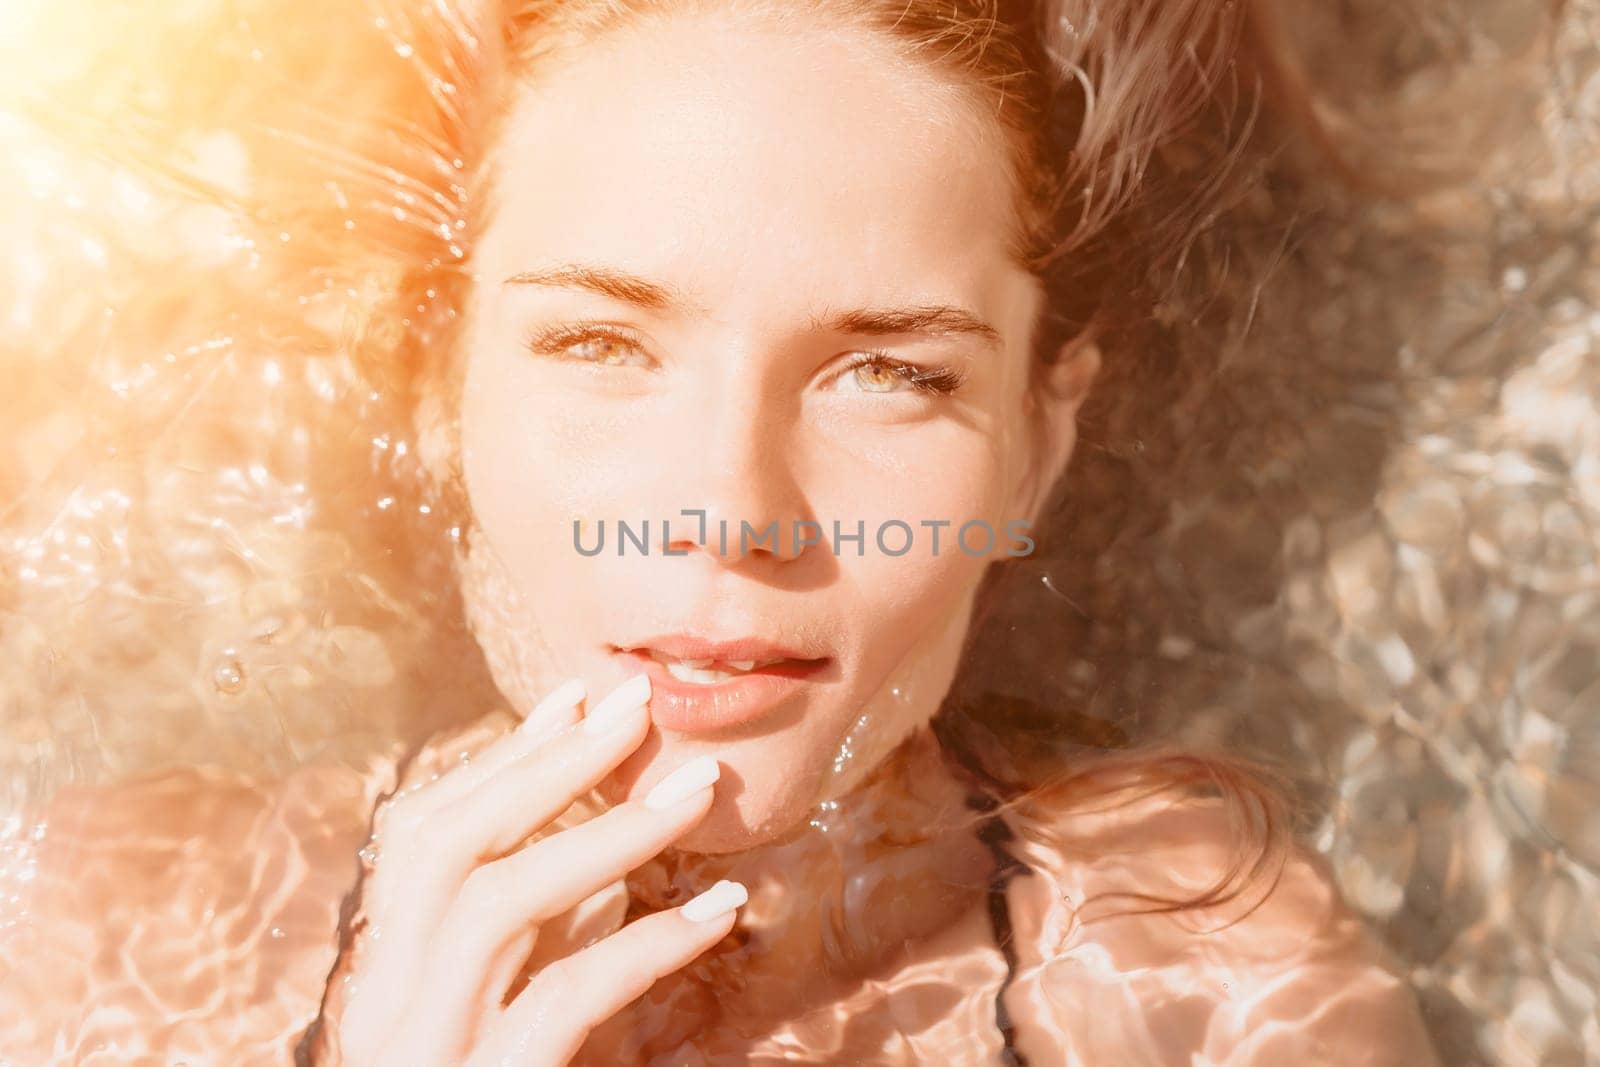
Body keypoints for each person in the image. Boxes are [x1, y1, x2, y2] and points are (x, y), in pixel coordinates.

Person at [1, 1, 1443, 1064]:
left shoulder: (1202, 983)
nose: (735, 513)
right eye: (601, 345)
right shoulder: (86, 933)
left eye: (893, 374)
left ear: (1038, 439)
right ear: (433, 395)